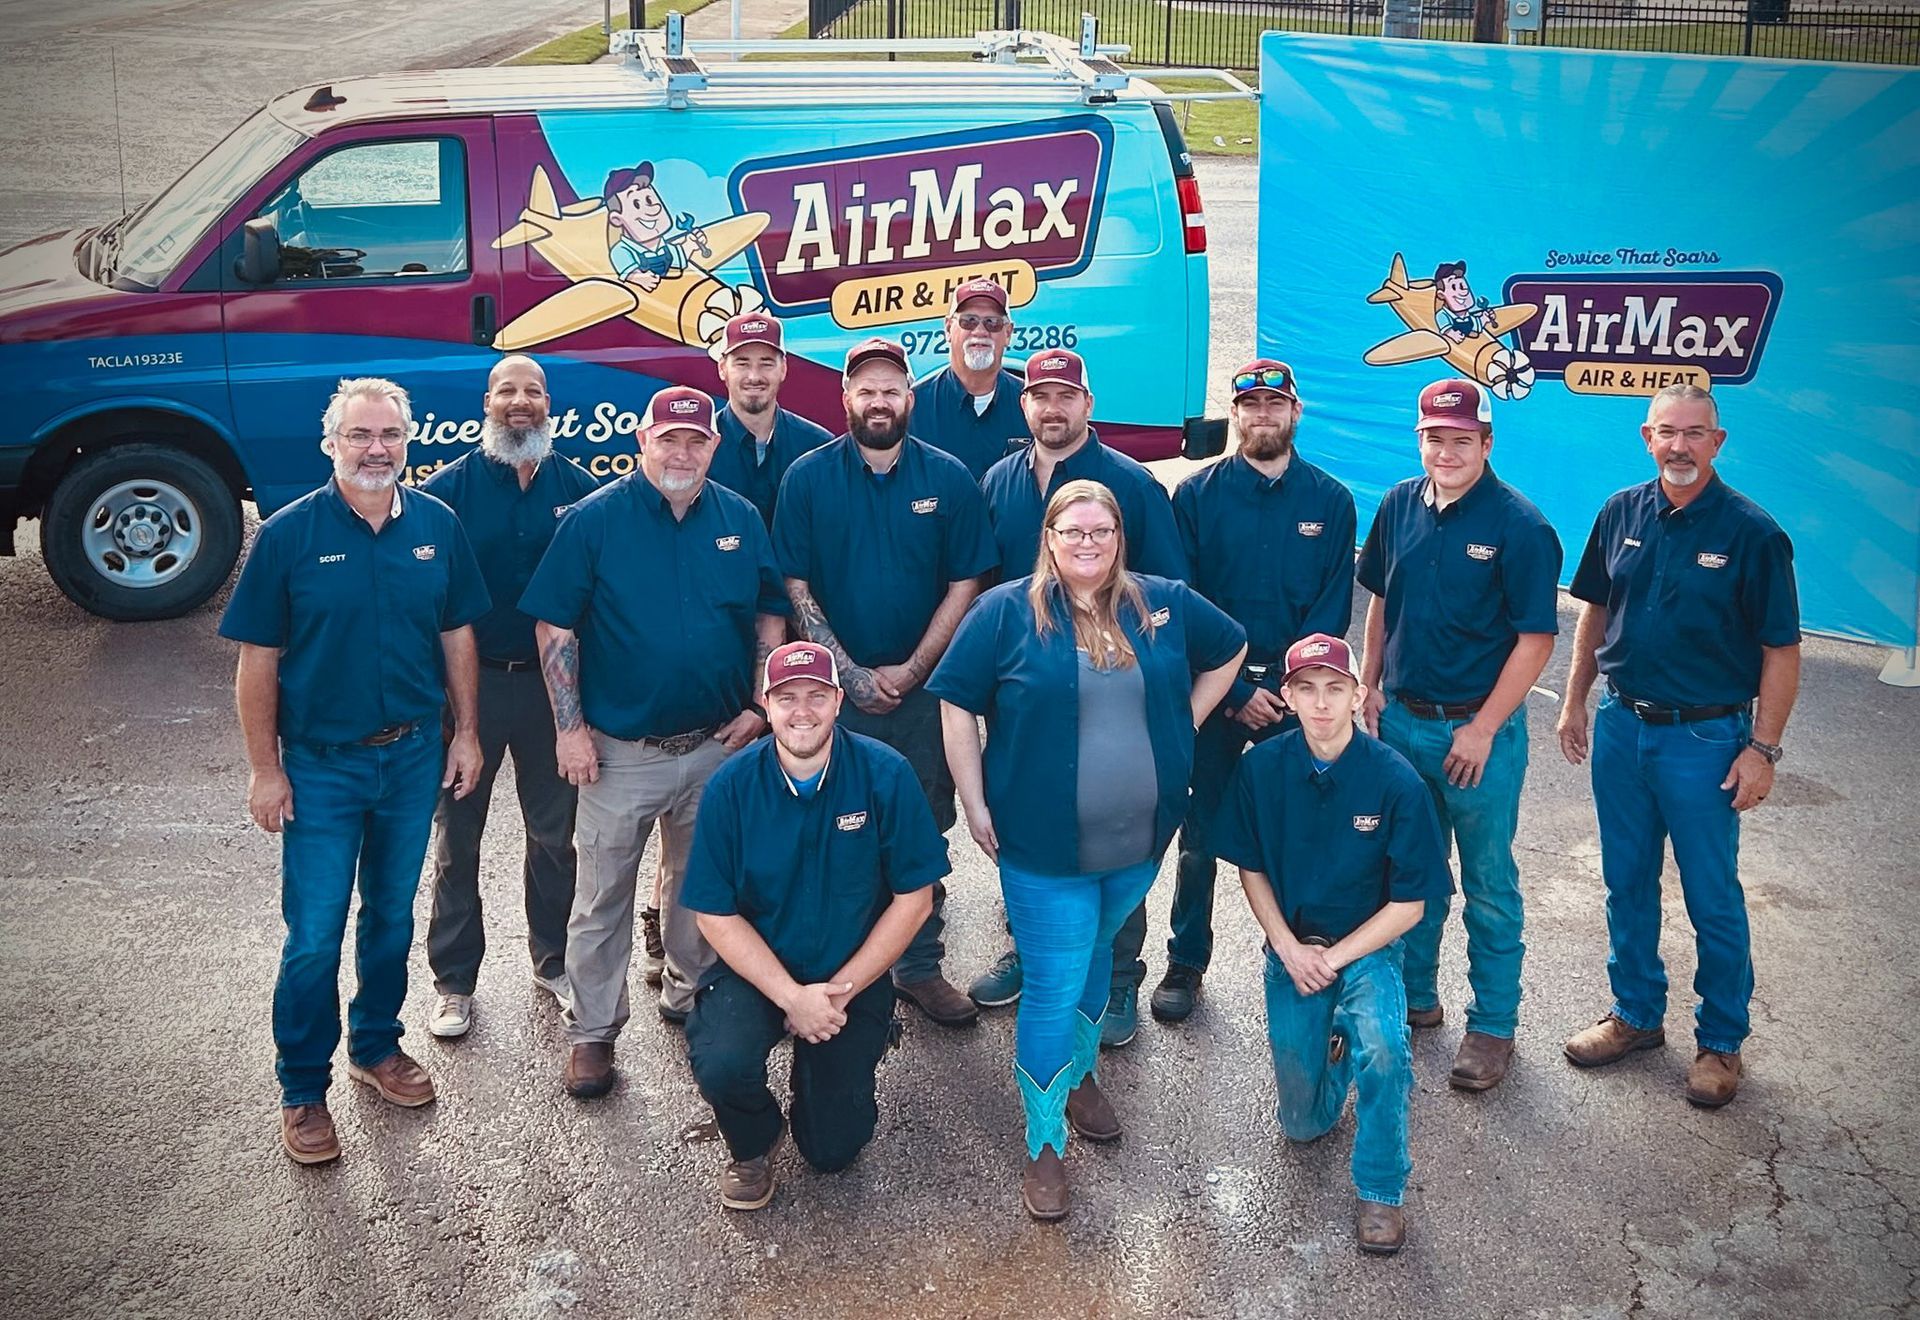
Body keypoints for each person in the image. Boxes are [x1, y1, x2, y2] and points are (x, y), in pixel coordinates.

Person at [928, 479, 1244, 1220]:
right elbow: (955, 703)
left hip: (1140, 840)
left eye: (1101, 532)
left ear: (1119, 537)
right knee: (1051, 981)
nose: (1088, 545)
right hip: (1042, 845)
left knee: (1102, 954)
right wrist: (973, 800)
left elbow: (1230, 649)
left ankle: (1081, 1074)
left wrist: (1185, 723)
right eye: (1072, 532)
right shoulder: (1005, 611)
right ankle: (1043, 1145)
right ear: (1049, 537)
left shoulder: (1159, 601)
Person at [220, 376, 490, 1165]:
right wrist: (264, 770)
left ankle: (375, 1048)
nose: (377, 450)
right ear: (330, 443)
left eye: (390, 437)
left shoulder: (437, 526)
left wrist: (466, 733)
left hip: (411, 759)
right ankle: (302, 1089)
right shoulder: (288, 535)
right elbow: (257, 661)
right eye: (360, 436)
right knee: (312, 936)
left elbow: (458, 639)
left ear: (408, 443)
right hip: (321, 767)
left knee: (390, 918)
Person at [520, 385, 787, 1100]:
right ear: (643, 440)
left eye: (695, 441)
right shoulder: (592, 521)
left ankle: (688, 990)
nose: (681, 452)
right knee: (602, 895)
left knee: (698, 885)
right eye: (667, 438)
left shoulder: (740, 518)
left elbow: (768, 618)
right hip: (618, 753)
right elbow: (555, 627)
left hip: (714, 747)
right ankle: (593, 1033)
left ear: (713, 447)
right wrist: (570, 728)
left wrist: (761, 704)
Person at [1556, 383, 1800, 1109]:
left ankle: (1721, 1043)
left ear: (1716, 443)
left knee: (1710, 895)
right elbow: (1595, 612)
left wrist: (1764, 749)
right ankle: (1635, 1015)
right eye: (1667, 432)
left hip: (1705, 739)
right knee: (1625, 882)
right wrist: (1575, 702)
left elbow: (1781, 652)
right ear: (1646, 436)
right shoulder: (1620, 512)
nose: (1680, 446)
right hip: (1623, 727)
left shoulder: (1754, 534)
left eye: (1695, 434)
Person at [775, 336, 998, 1027]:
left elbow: (967, 581)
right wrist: (847, 674)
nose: (878, 401)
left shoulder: (950, 478)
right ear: (845, 399)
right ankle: (829, 973)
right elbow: (795, 583)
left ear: (909, 397)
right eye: (864, 389)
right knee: (827, 826)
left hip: (924, 696)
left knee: (923, 826)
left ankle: (918, 965)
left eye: (890, 389)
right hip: (832, 697)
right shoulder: (807, 479)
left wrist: (911, 670)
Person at [972, 348, 1191, 1044]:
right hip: (1027, 704)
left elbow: (1171, 602)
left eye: (1068, 396)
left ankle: (1119, 979)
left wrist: (1166, 707)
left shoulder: (1132, 487)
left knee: (1115, 835)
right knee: (1032, 833)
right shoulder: (999, 482)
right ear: (1023, 404)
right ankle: (1034, 955)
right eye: (1040, 396)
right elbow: (985, 591)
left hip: (1112, 707)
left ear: (1089, 405)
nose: (1053, 408)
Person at [682, 642, 946, 1210]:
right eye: (788, 698)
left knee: (832, 1151)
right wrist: (790, 998)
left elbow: (915, 899)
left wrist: (836, 995)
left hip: (849, 973)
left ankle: (837, 1066)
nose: (803, 712)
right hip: (756, 972)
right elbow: (713, 912)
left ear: (837, 701)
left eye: (817, 697)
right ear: (767, 705)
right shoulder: (730, 787)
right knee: (721, 1059)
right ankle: (754, 1142)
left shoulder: (885, 775)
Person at [1214, 633, 1453, 1255]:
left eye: (1336, 689)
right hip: (1293, 947)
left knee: (1386, 1050)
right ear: (1288, 698)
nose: (1322, 703)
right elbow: (1251, 867)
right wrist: (1289, 949)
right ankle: (1335, 1050)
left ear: (1359, 696)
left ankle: (1380, 1189)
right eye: (1307, 689)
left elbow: (1412, 905)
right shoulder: (1261, 768)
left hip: (1367, 946)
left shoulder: (1396, 781)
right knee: (1302, 1123)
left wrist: (1334, 960)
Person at [1354, 377, 1562, 1092]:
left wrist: (1483, 727)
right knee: (1413, 872)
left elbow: (1536, 641)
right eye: (1435, 438)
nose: (1447, 451)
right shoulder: (1397, 506)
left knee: (1488, 882)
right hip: (1401, 721)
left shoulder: (1521, 527)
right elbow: (1380, 601)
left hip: (1478, 736)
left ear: (1487, 442)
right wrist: (1370, 684)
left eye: (1461, 440)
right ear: (1420, 439)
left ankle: (1494, 1026)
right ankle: (1416, 997)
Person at [1151, 360, 1357, 1026]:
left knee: (1304, 832)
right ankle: (1186, 959)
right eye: (1251, 405)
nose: (1263, 415)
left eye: (1275, 404)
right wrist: (1237, 689)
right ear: (1235, 415)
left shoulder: (1331, 502)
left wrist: (1294, 691)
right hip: (1218, 692)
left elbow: (1330, 612)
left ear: (1296, 412)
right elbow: (1182, 604)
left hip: (1299, 698)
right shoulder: (1197, 498)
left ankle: (1305, 952)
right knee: (1201, 832)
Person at [417, 354, 599, 1040]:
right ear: (486, 402)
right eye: (506, 391)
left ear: (549, 402)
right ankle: (454, 983)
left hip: (554, 694)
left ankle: (552, 961)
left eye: (532, 391)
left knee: (554, 838)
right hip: (470, 693)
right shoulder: (446, 492)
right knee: (455, 841)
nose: (519, 401)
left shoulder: (579, 491)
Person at [707, 311, 834, 527]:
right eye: (742, 363)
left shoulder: (819, 446)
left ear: (783, 369)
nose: (754, 376)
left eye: (766, 363)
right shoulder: (701, 449)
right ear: (722, 369)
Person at [910, 277, 1029, 482]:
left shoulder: (1032, 406)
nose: (980, 331)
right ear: (948, 329)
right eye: (969, 321)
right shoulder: (913, 407)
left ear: (1008, 333)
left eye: (992, 323)